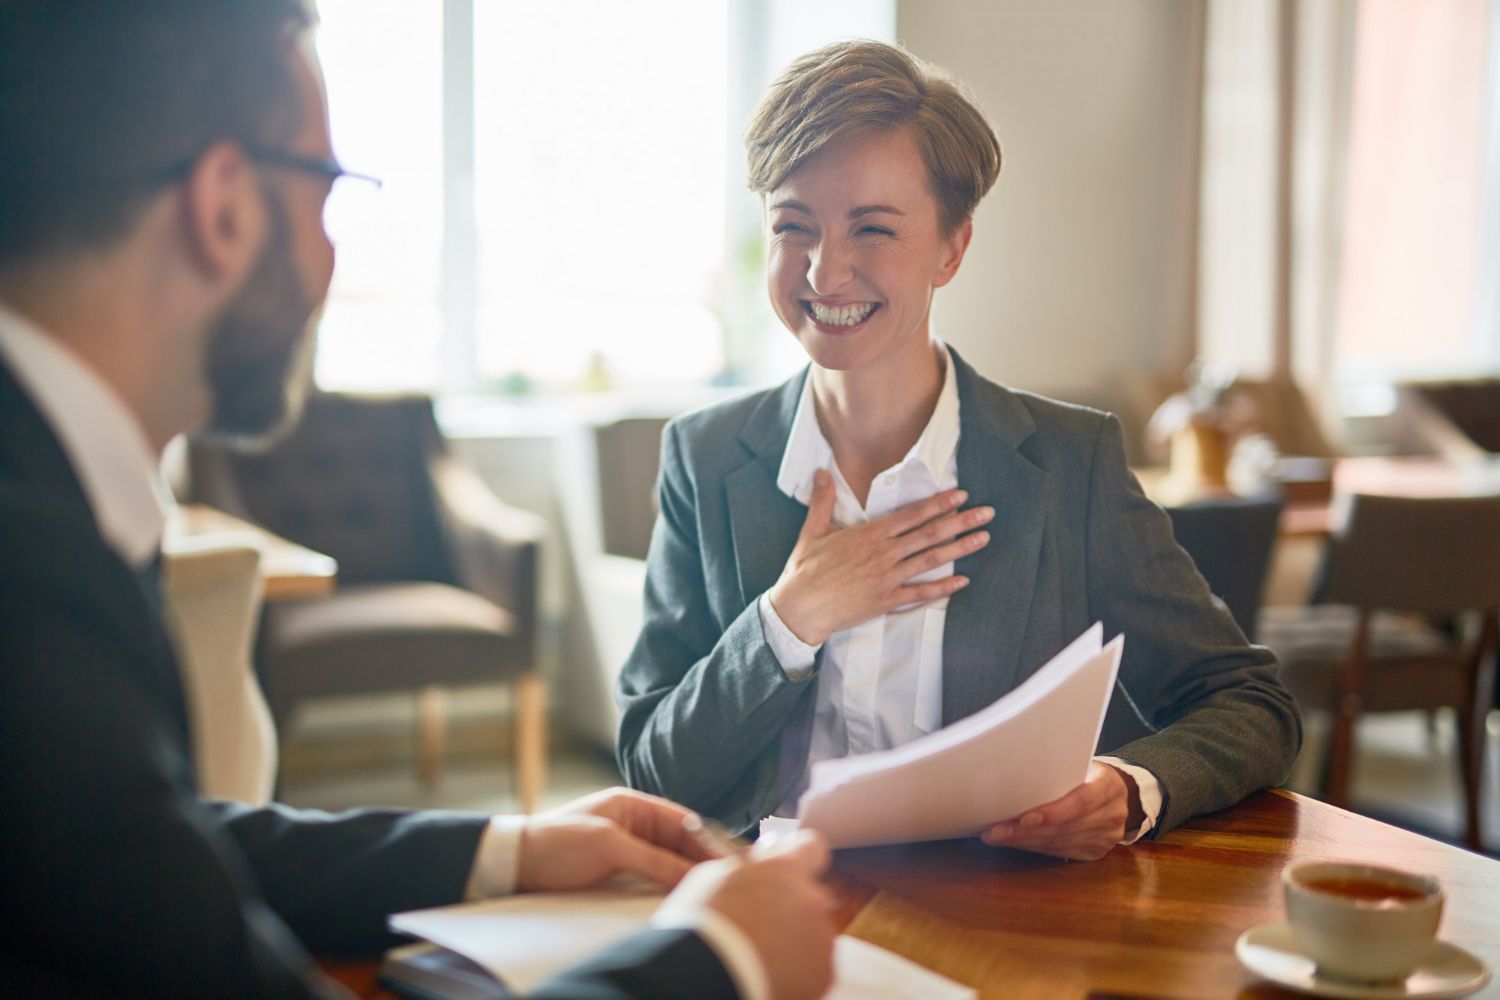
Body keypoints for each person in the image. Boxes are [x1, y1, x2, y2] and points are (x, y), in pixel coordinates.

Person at [0, 3, 834, 997]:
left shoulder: (47, 498)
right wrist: (720, 959)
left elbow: (143, 855)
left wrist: (506, 847)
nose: (332, 253)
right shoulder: (33, 571)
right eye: (326, 190)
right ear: (221, 208)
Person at [616, 40, 1302, 859]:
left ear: (952, 248)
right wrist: (789, 619)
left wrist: (1125, 788)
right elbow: (653, 775)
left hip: (995, 922)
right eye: (793, 226)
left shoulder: (1068, 464)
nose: (825, 271)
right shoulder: (706, 456)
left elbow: (1251, 702)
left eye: (872, 228)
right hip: (768, 916)